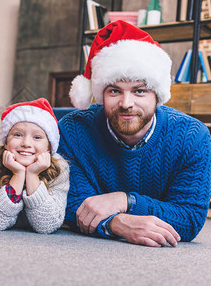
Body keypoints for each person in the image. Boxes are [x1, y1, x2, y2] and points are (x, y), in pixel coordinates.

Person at [58, 20, 211, 247]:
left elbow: (188, 218)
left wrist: (126, 201)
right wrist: (117, 223)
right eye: (114, 91)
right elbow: (74, 205)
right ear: (100, 95)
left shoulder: (193, 136)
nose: (126, 103)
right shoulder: (73, 130)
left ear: (157, 96)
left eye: (139, 91)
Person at [0, 98, 69, 233]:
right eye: (18, 135)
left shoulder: (59, 167)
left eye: (37, 137)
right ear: (6, 142)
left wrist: (32, 175)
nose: (26, 143)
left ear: (49, 146)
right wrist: (18, 174)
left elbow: (48, 225)